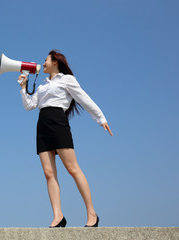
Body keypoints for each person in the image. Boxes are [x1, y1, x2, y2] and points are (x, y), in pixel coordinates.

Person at [18, 49, 113, 228]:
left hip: (58, 123)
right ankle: (58, 216)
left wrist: (100, 118)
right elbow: (30, 105)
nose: (42, 63)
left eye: (45, 59)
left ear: (55, 62)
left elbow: (84, 98)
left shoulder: (67, 80)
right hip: (43, 126)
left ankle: (92, 213)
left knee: (72, 168)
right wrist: (23, 88)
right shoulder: (42, 85)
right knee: (49, 174)